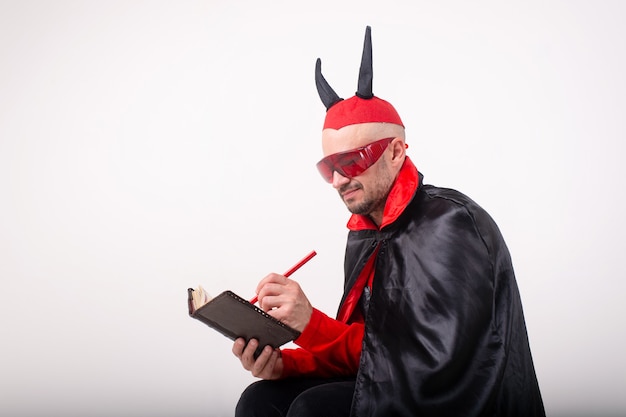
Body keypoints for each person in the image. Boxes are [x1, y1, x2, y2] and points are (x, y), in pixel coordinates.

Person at [232, 26, 545, 417]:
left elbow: (428, 367)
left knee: (312, 409)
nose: (340, 179)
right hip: (402, 386)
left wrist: (310, 325)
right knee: (261, 399)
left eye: (353, 160)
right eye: (329, 166)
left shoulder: (450, 224)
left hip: (456, 401)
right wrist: (287, 363)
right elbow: (367, 351)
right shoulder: (366, 232)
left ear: (396, 151)